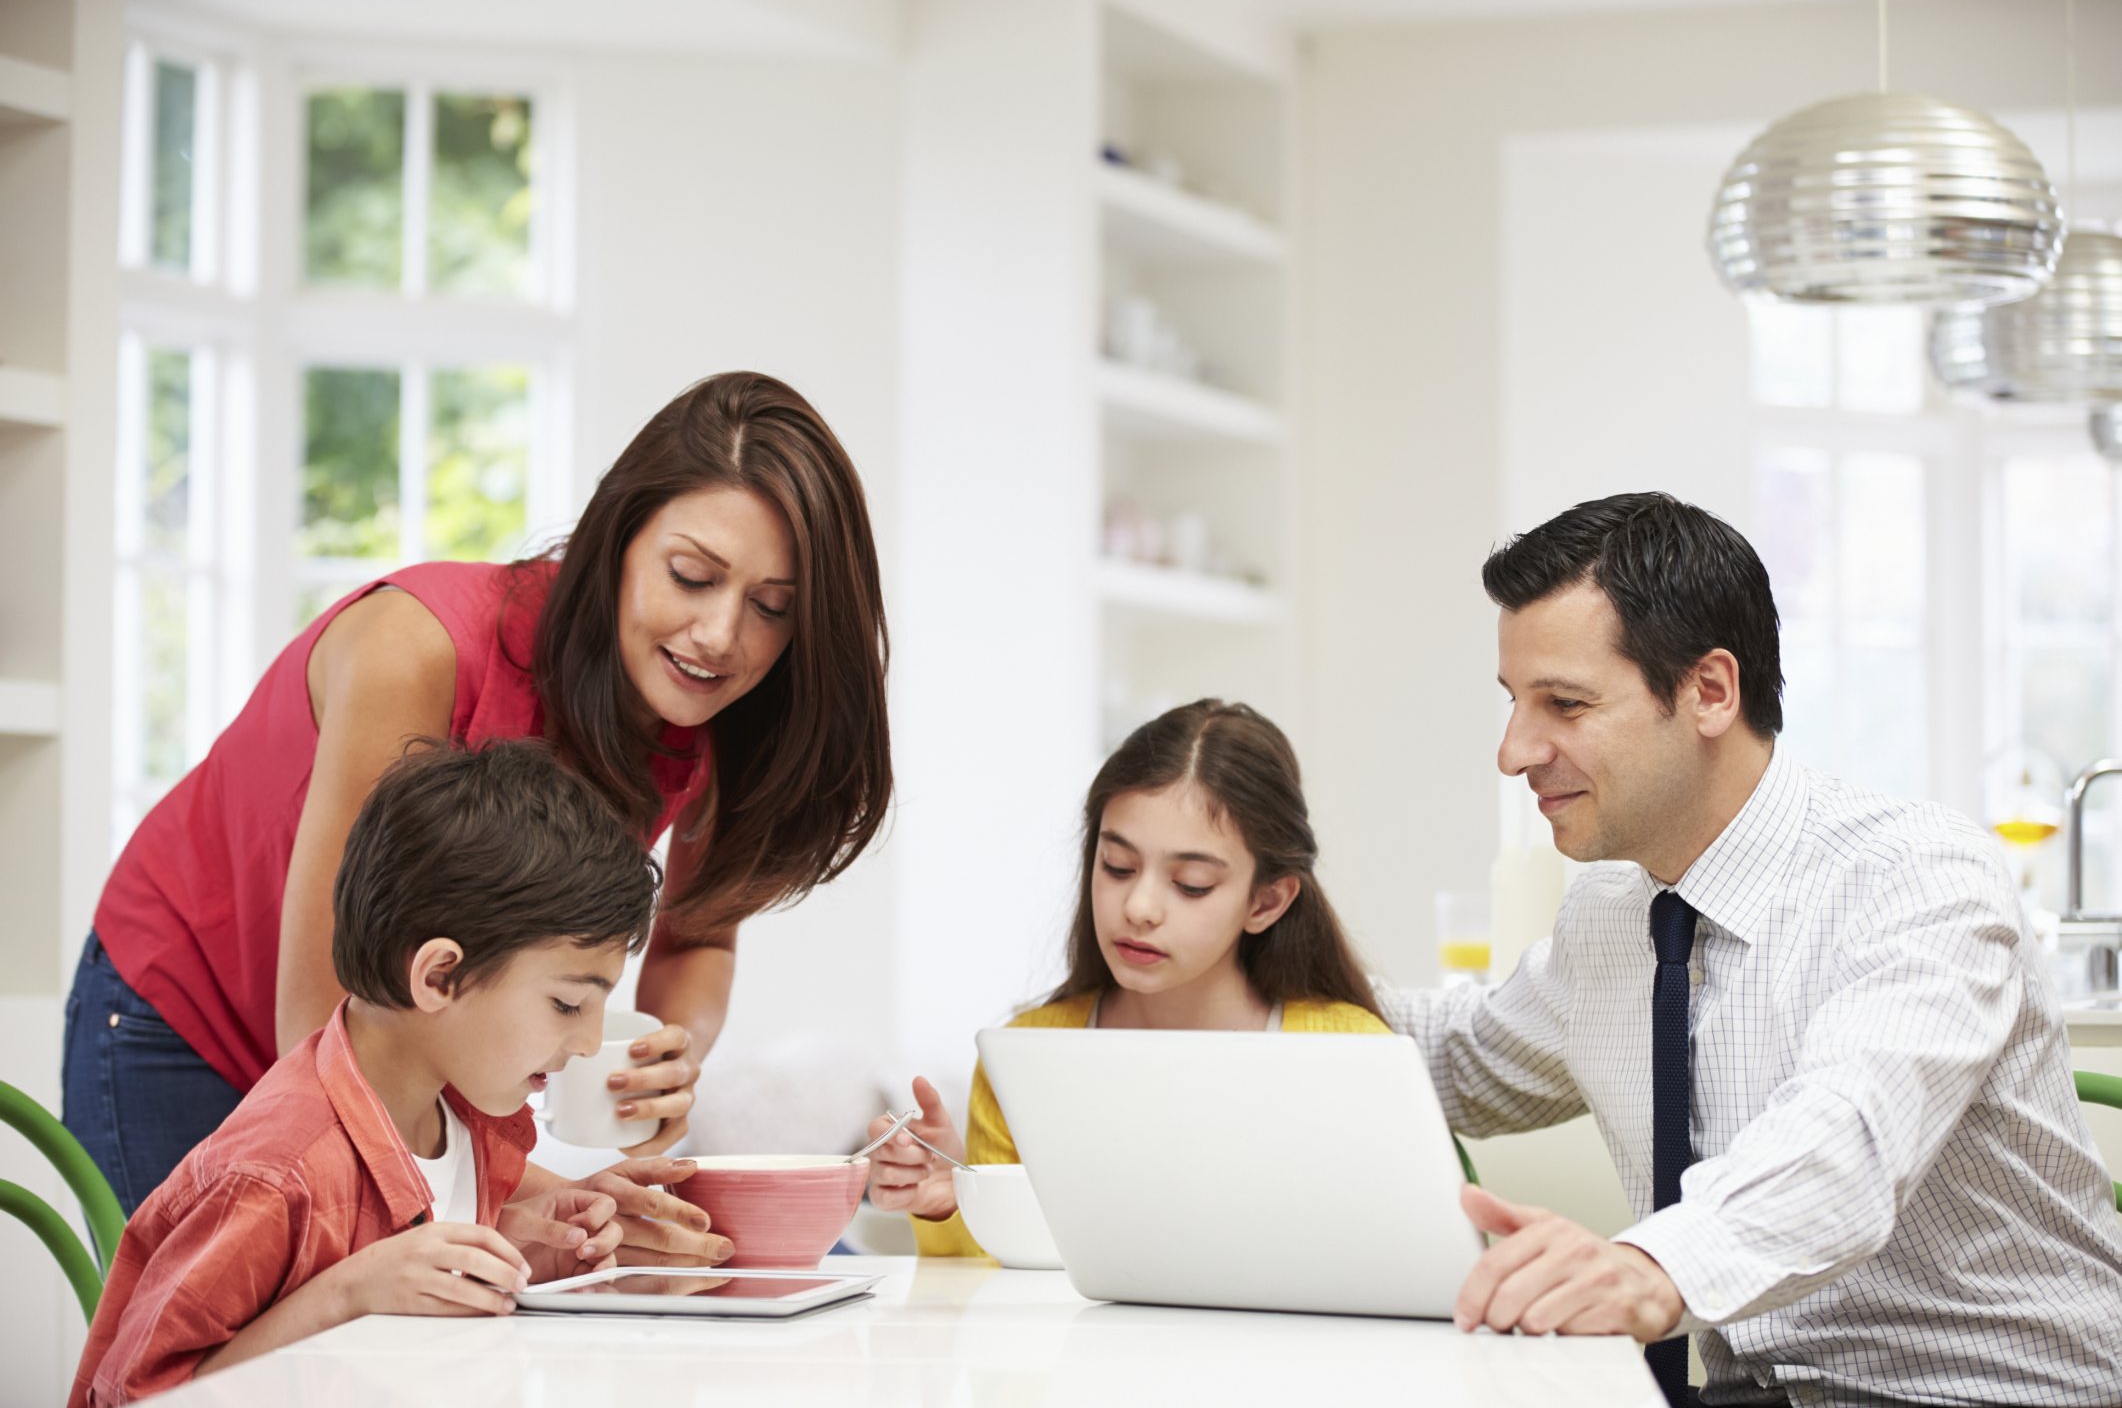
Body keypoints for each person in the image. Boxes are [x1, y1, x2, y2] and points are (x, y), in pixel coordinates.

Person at [64, 371, 892, 1248]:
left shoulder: (720, 710)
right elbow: (321, 1023)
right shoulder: (414, 650)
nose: (722, 635)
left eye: (771, 608)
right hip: (184, 1018)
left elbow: (699, 930)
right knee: (209, 1373)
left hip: (383, 1058)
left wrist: (663, 1054)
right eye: (691, 576)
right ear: (616, 537)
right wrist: (522, 1189)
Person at [1381, 493, 2122, 1407]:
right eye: (1514, 704)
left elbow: (1845, 1139)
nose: (1513, 751)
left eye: (1564, 704)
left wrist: (1649, 1267)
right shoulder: (1615, 911)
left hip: (1987, 1394)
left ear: (1709, 691)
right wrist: (1239, 960)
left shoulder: (1919, 875)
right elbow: (1459, 1058)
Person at [71, 741, 732, 1406]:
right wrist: (348, 1295)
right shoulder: (274, 1175)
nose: (589, 1042)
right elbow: (137, 1395)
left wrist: (519, 1251)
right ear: (438, 976)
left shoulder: (469, 1121)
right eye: (567, 1003)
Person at [868, 700, 1390, 1255]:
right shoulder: (1027, 1055)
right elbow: (999, 1298)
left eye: (1190, 883)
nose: (1139, 907)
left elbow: (1406, 1258)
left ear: (1266, 901)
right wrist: (955, 1205)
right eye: (1117, 866)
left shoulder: (1353, 1054)